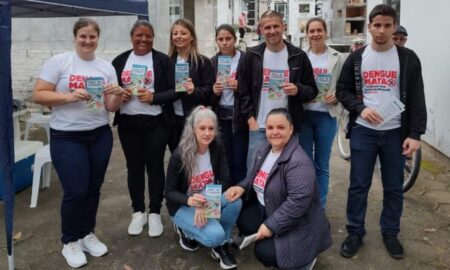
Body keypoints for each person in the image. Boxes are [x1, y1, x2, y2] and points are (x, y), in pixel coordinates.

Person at [336, 4, 427, 260]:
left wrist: (415, 134)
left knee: (394, 186)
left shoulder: (408, 58)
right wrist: (360, 108)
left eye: (388, 25)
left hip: (395, 132)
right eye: (377, 25)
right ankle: (355, 232)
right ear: (369, 27)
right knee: (358, 185)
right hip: (363, 132)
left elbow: (417, 97)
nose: (382, 30)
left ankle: (390, 233)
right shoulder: (357, 57)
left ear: (394, 27)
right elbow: (342, 90)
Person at [33, 18, 124, 268]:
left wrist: (117, 96)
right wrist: (68, 96)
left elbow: (110, 107)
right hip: (67, 136)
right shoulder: (60, 62)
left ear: (97, 38)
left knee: (94, 188)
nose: (87, 41)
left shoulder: (105, 67)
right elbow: (39, 93)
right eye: (83, 36)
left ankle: (87, 233)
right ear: (75, 37)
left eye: (92, 37)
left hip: (99, 135)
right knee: (75, 191)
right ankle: (70, 240)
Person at [226, 108, 332, 270]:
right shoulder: (264, 149)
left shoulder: (299, 162)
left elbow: (297, 203)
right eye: (270, 128)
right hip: (269, 207)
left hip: (298, 222)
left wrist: (271, 226)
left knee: (263, 252)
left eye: (281, 128)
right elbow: (254, 176)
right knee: (243, 220)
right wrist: (241, 186)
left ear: (291, 129)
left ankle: (307, 260)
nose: (274, 132)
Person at [111, 20, 174, 237]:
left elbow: (176, 91)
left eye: (148, 36)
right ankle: (138, 211)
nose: (143, 40)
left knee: (155, 167)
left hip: (155, 123)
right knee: (134, 168)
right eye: (139, 35)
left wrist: (155, 97)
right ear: (132, 36)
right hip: (128, 123)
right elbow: (111, 89)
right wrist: (121, 93)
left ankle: (155, 212)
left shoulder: (163, 61)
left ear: (153, 38)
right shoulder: (120, 61)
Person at [239, 10, 318, 171]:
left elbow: (312, 90)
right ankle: (254, 198)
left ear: (284, 27)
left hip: (288, 127)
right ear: (260, 30)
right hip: (259, 125)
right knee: (254, 171)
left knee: (285, 171)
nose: (272, 31)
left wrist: (298, 89)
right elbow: (242, 90)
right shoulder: (251, 55)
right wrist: (250, 119)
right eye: (267, 27)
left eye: (276, 26)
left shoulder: (298, 56)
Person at [165, 106, 242, 270]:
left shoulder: (217, 147)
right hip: (184, 204)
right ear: (193, 129)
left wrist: (205, 202)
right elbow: (169, 192)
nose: (207, 133)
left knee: (235, 201)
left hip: (208, 199)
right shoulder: (179, 155)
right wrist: (191, 201)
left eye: (211, 128)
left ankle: (222, 245)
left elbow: (226, 179)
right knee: (214, 235)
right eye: (202, 128)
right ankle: (183, 228)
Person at [300, 17, 345, 209]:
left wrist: (338, 96)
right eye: (312, 31)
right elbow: (294, 84)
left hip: (326, 116)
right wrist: (302, 95)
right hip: (303, 116)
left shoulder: (338, 57)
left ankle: (320, 207)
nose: (316, 34)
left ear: (326, 32)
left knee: (322, 165)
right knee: (304, 165)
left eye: (319, 30)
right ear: (307, 34)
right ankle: (304, 206)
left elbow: (345, 86)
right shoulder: (301, 56)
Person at [167, 18, 214, 153]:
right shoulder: (167, 61)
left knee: (196, 157)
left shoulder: (202, 62)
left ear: (192, 36)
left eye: (183, 33)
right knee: (177, 158)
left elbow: (209, 90)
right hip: (173, 120)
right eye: (175, 33)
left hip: (195, 119)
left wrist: (194, 90)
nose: (179, 36)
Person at [211, 24, 248, 185]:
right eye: (221, 39)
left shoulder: (246, 59)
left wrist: (240, 86)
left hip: (240, 116)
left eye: (228, 39)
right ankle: (226, 196)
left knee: (239, 159)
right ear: (216, 41)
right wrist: (214, 92)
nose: (225, 43)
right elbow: (207, 95)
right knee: (224, 159)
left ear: (235, 39)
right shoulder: (212, 62)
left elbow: (254, 87)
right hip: (220, 116)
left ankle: (240, 197)